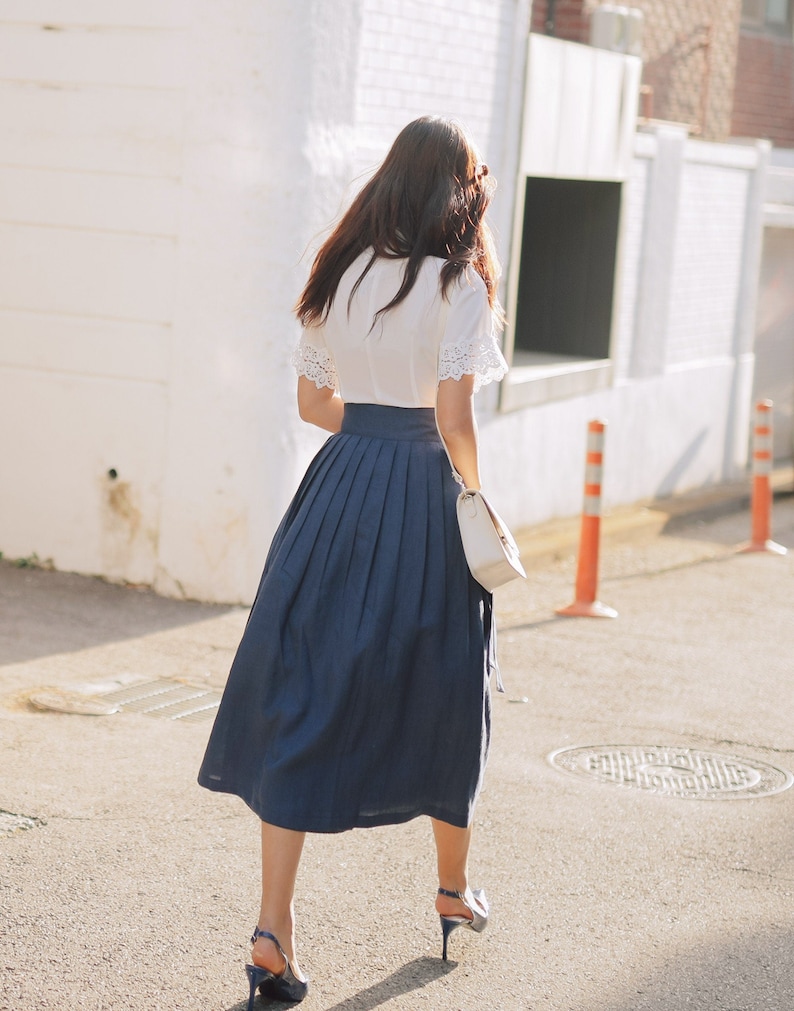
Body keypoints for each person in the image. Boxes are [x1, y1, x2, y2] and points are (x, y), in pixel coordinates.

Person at [197, 115, 509, 1008]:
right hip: (423, 495)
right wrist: (476, 497)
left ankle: (271, 933)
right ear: (457, 188)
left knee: (304, 687)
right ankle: (452, 891)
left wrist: (369, 426)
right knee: (452, 684)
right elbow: (455, 418)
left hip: (335, 494)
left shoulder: (340, 270)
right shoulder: (459, 281)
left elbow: (311, 401)